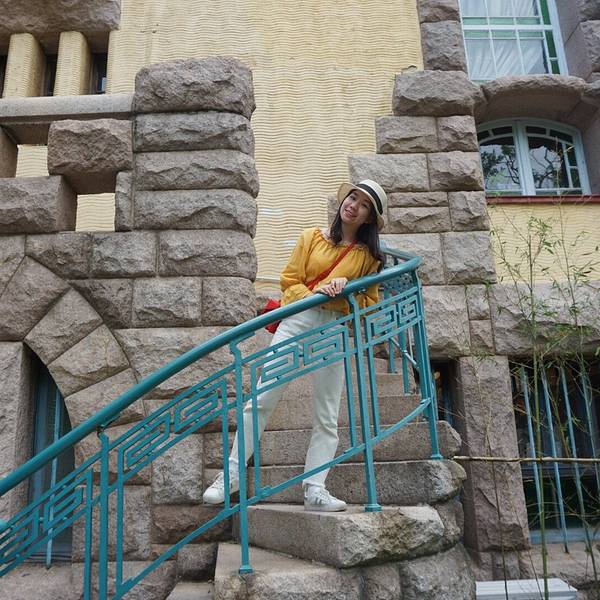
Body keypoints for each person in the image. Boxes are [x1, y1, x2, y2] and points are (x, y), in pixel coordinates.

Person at [203, 179, 387, 511]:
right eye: (352, 197)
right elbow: (289, 282)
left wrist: (346, 288)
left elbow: (369, 303)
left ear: (369, 218)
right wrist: (316, 293)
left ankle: (315, 488)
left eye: (363, 205)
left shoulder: (367, 258)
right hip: (299, 318)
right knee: (262, 399)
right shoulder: (311, 237)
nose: (353, 206)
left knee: (327, 413)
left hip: (333, 327)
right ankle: (229, 476)